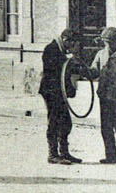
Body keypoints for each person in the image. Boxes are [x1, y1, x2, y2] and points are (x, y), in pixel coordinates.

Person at [40, 28, 81, 165]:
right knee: (54, 121)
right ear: (66, 40)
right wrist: (69, 61)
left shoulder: (61, 51)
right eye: (72, 43)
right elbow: (54, 72)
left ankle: (64, 152)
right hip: (51, 92)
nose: (72, 47)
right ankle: (53, 154)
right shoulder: (51, 49)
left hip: (59, 92)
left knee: (66, 122)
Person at [94, 27, 116, 165]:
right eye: (105, 41)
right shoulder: (100, 54)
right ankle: (111, 156)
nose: (107, 44)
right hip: (104, 97)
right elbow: (94, 72)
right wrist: (82, 70)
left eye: (110, 41)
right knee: (106, 128)